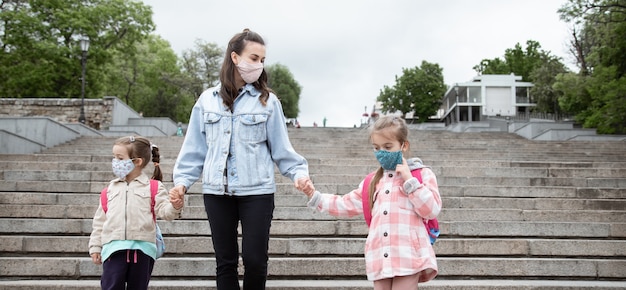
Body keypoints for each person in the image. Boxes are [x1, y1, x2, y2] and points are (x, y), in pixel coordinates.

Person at [169, 29, 314, 290]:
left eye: (262, 60)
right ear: (235, 57)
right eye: (254, 57)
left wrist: (299, 175)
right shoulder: (206, 101)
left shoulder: (268, 102)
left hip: (257, 192)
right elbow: (194, 149)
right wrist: (182, 183)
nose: (259, 65)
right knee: (225, 262)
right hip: (216, 192)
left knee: (255, 260)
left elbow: (282, 149)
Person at [301, 116, 441, 290]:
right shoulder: (372, 182)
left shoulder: (422, 175)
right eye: (376, 148)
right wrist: (315, 195)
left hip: (409, 254)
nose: (381, 152)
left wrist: (409, 180)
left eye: (388, 147)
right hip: (380, 255)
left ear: (404, 145)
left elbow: (431, 210)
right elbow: (345, 204)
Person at [89, 136, 184, 290]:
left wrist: (175, 206)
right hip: (113, 249)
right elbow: (100, 222)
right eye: (114, 157)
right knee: (110, 286)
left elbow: (165, 212)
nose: (115, 162)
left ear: (137, 161)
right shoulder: (109, 190)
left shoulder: (153, 187)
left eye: (120, 158)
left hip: (143, 249)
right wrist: (95, 247)